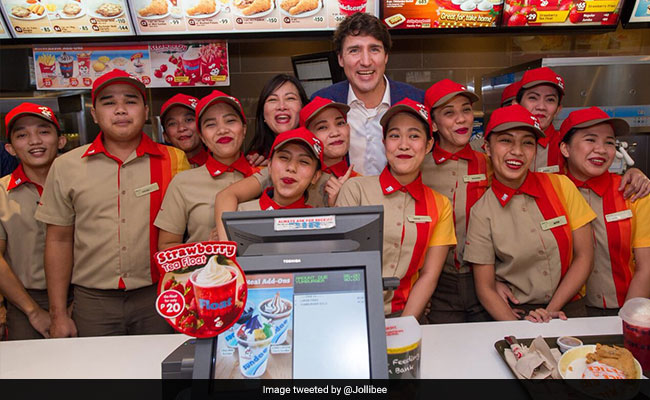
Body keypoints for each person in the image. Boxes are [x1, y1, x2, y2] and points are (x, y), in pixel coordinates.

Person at [35, 70, 189, 337]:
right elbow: (58, 240)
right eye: (108, 102)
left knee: (159, 375)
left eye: (130, 101)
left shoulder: (175, 160)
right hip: (93, 304)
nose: (120, 110)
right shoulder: (66, 166)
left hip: (160, 296)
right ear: (94, 114)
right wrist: (58, 314)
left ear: (144, 110)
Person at [464, 104, 596, 323]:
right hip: (516, 314)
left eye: (527, 143)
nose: (517, 151)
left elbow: (585, 257)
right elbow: (485, 288)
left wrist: (551, 311)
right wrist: (520, 331)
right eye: (506, 141)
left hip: (569, 311)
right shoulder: (482, 211)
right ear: (487, 147)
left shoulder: (561, 186)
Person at [336, 99, 456, 319]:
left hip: (407, 314)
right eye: (394, 135)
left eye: (414, 136)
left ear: (429, 145)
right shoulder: (356, 190)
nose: (403, 145)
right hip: (353, 314)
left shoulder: (440, 205)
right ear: (384, 143)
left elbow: (429, 275)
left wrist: (404, 324)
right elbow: (340, 265)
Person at [211, 97, 357, 239]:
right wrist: (227, 246)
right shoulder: (247, 209)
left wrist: (338, 208)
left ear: (315, 175)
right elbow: (226, 195)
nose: (335, 132)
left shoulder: (357, 181)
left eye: (340, 123)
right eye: (322, 127)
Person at [559, 107, 650, 316]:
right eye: (590, 140)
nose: (601, 150)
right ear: (565, 148)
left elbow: (646, 267)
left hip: (624, 306)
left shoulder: (634, 193)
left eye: (609, 142)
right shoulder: (552, 190)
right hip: (566, 311)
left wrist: (626, 319)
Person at [312, 12, 424, 176]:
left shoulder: (417, 100)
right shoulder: (320, 103)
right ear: (341, 59)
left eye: (374, 49)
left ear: (386, 56)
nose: (365, 61)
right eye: (354, 50)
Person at [516, 67, 649, 199]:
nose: (541, 107)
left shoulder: (569, 144)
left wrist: (634, 174)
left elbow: (595, 175)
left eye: (550, 100)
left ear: (558, 109)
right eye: (533, 98)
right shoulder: (499, 146)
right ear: (516, 104)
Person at [420, 79, 491, 324]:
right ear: (434, 124)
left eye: (466, 110)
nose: (461, 119)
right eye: (449, 113)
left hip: (484, 279)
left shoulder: (489, 163)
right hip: (438, 283)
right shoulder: (418, 167)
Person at [155, 91, 258, 250]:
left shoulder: (265, 175)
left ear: (244, 129)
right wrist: (205, 248)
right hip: (203, 273)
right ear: (202, 136)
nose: (222, 130)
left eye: (230, 121)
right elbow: (166, 246)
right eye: (211, 124)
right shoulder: (183, 182)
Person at [0, 103, 67, 340]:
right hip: (24, 300)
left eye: (44, 131)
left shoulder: (81, 186)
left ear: (61, 141)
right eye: (22, 135)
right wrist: (33, 311)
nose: (34, 141)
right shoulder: (2, 192)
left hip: (83, 297)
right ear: (10, 148)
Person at [239, 127, 322, 211]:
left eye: (304, 161)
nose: (291, 168)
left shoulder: (319, 221)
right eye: (284, 157)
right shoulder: (241, 213)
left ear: (315, 176)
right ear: (270, 165)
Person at [245, 74, 309, 166]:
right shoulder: (255, 160)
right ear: (263, 114)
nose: (282, 106)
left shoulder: (319, 155)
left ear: (303, 107)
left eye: (290, 98)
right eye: (273, 100)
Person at [160, 93, 208, 168]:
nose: (181, 128)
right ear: (165, 136)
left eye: (189, 120)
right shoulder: (160, 168)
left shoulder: (222, 162)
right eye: (172, 123)